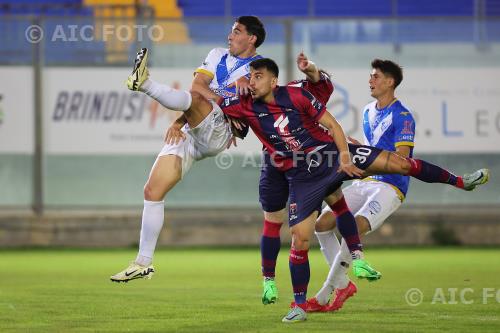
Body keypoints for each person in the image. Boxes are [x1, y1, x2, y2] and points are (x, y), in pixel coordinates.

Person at [110, 15, 266, 282]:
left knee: (195, 99)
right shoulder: (217, 54)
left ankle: (144, 83)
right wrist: (183, 118)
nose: (230, 36)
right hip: (193, 129)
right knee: (152, 190)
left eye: (237, 31)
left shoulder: (260, 69)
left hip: (221, 131)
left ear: (251, 38)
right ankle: (142, 263)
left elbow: (235, 103)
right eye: (231, 31)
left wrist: (225, 94)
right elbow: (196, 87)